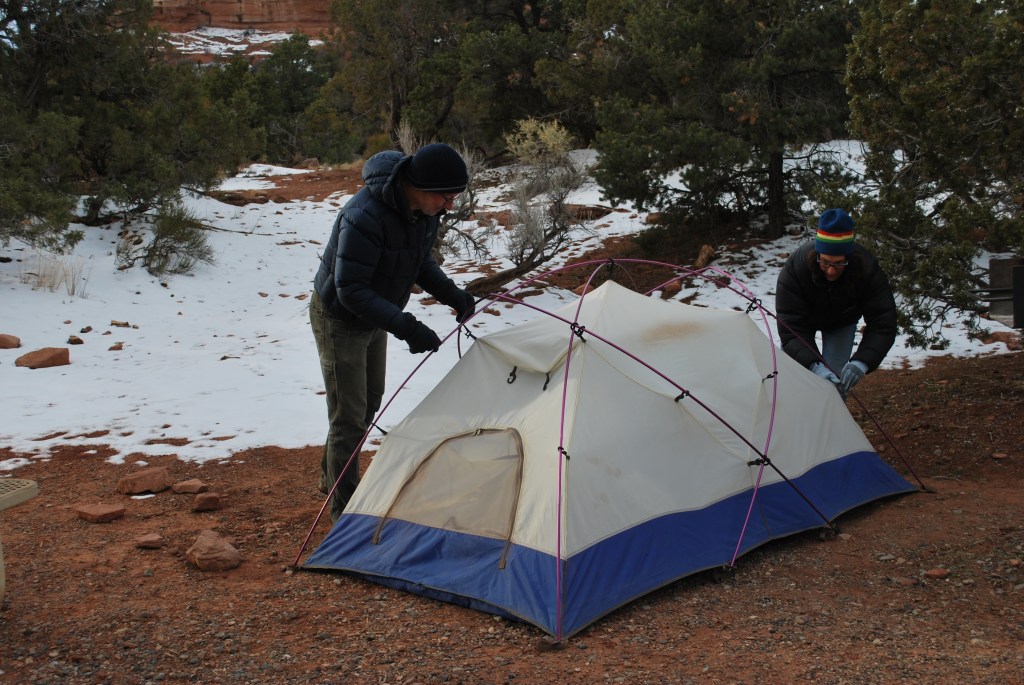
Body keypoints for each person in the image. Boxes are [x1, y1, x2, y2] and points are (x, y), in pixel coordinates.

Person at [309, 143, 476, 521]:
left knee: (366, 404)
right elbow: (350, 289)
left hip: (374, 315)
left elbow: (419, 262)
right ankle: (343, 514)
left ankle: (329, 478)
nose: (449, 205)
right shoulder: (364, 216)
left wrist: (453, 295)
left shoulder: (423, 211)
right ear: (419, 184)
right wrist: (407, 327)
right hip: (340, 319)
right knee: (349, 417)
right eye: (446, 196)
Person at [775, 208, 897, 398]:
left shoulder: (866, 268)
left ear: (849, 257)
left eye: (839, 263)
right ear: (817, 255)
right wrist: (814, 365)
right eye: (825, 262)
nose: (831, 271)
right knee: (798, 379)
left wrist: (862, 362)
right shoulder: (795, 268)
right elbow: (790, 327)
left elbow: (883, 323)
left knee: (834, 386)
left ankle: (830, 425)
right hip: (802, 324)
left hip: (842, 322)